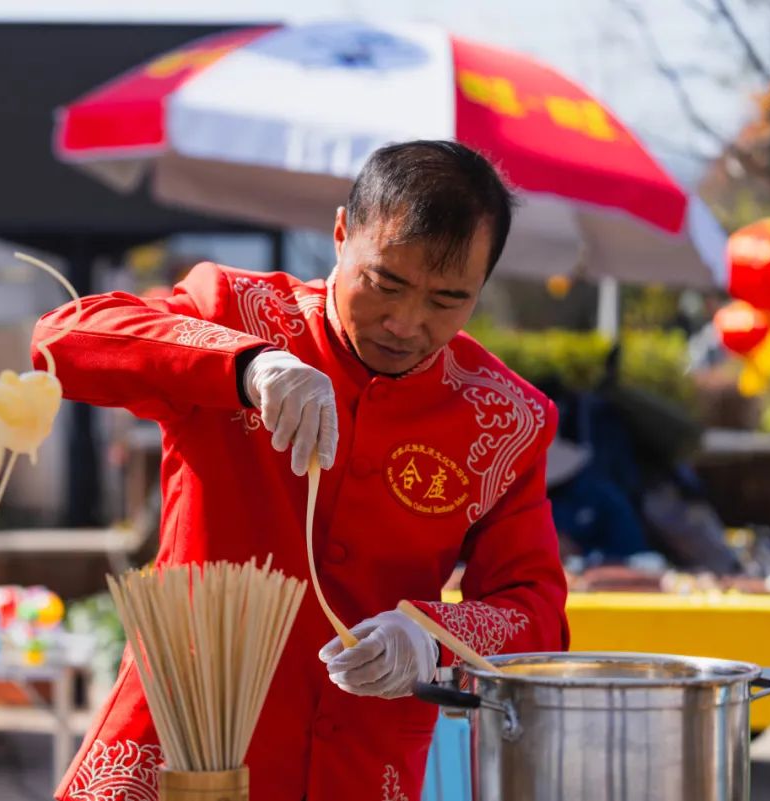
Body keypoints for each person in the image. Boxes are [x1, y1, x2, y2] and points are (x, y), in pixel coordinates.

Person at [33, 141, 568, 801]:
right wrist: (244, 365)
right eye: (386, 282)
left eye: (448, 299)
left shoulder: (506, 418)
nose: (406, 323)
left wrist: (432, 635)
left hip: (360, 762)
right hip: (180, 741)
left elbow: (537, 610)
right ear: (342, 233)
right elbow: (61, 340)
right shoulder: (235, 310)